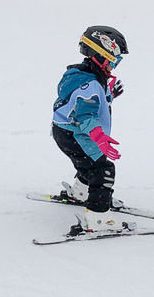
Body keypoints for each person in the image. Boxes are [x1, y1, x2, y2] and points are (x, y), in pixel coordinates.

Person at [52, 26, 129, 233]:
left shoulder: (84, 76)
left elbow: (83, 102)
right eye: (114, 61)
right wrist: (98, 136)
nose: (115, 66)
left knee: (88, 164)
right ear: (100, 55)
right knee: (102, 170)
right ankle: (98, 218)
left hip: (65, 132)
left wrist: (109, 95)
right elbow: (85, 114)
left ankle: (81, 192)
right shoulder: (91, 84)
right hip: (77, 134)